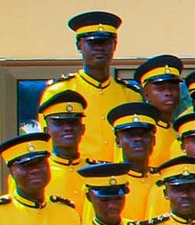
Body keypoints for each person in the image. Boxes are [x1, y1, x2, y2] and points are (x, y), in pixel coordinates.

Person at [55, 11, 139, 163]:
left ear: (115, 45)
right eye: (93, 43)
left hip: (121, 178)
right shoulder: (59, 91)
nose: (99, 48)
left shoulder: (131, 95)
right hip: (77, 177)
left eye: (105, 43)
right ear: (79, 45)